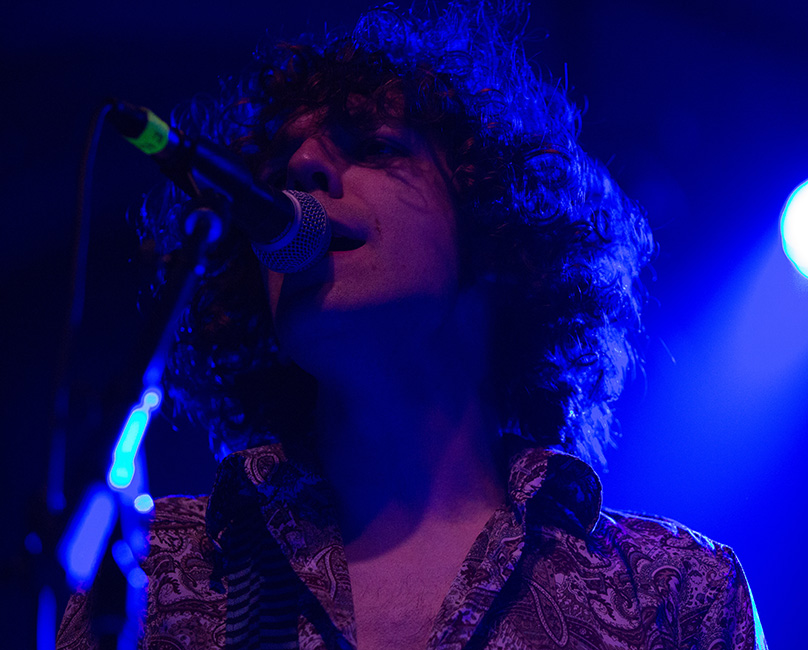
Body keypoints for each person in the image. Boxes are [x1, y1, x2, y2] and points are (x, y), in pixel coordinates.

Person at [58, 2, 767, 648]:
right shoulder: (152, 582)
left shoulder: (672, 594)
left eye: (373, 146)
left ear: (498, 235)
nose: (301, 167)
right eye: (280, 164)